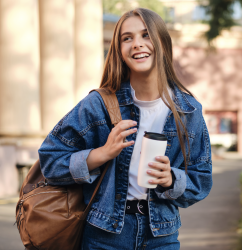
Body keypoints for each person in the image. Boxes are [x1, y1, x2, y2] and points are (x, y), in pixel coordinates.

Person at [38, 7, 212, 250]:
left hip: (162, 236)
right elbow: (50, 160)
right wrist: (102, 154)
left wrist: (171, 178)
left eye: (146, 35)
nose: (137, 44)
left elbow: (201, 180)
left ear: (162, 42)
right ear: (119, 51)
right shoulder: (98, 105)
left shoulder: (188, 111)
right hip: (104, 234)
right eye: (127, 38)